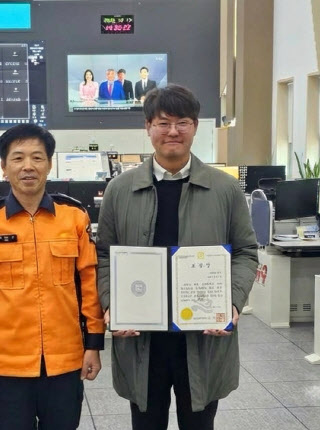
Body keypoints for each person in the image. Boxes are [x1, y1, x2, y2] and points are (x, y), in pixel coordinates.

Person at [96, 84, 258, 430]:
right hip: (142, 338)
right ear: (148, 127)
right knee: (146, 422)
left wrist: (232, 302)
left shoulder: (224, 188)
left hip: (202, 338)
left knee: (199, 422)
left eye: (182, 122)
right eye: (163, 123)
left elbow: (246, 251)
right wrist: (111, 304)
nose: (173, 131)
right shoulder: (120, 190)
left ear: (195, 126)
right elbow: (104, 255)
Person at [0, 124, 105, 430]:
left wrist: (94, 344)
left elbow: (88, 285)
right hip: (8, 363)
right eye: (18, 158)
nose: (28, 166)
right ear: (3, 167)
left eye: (37, 157)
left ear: (49, 164)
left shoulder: (74, 216)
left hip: (66, 359)